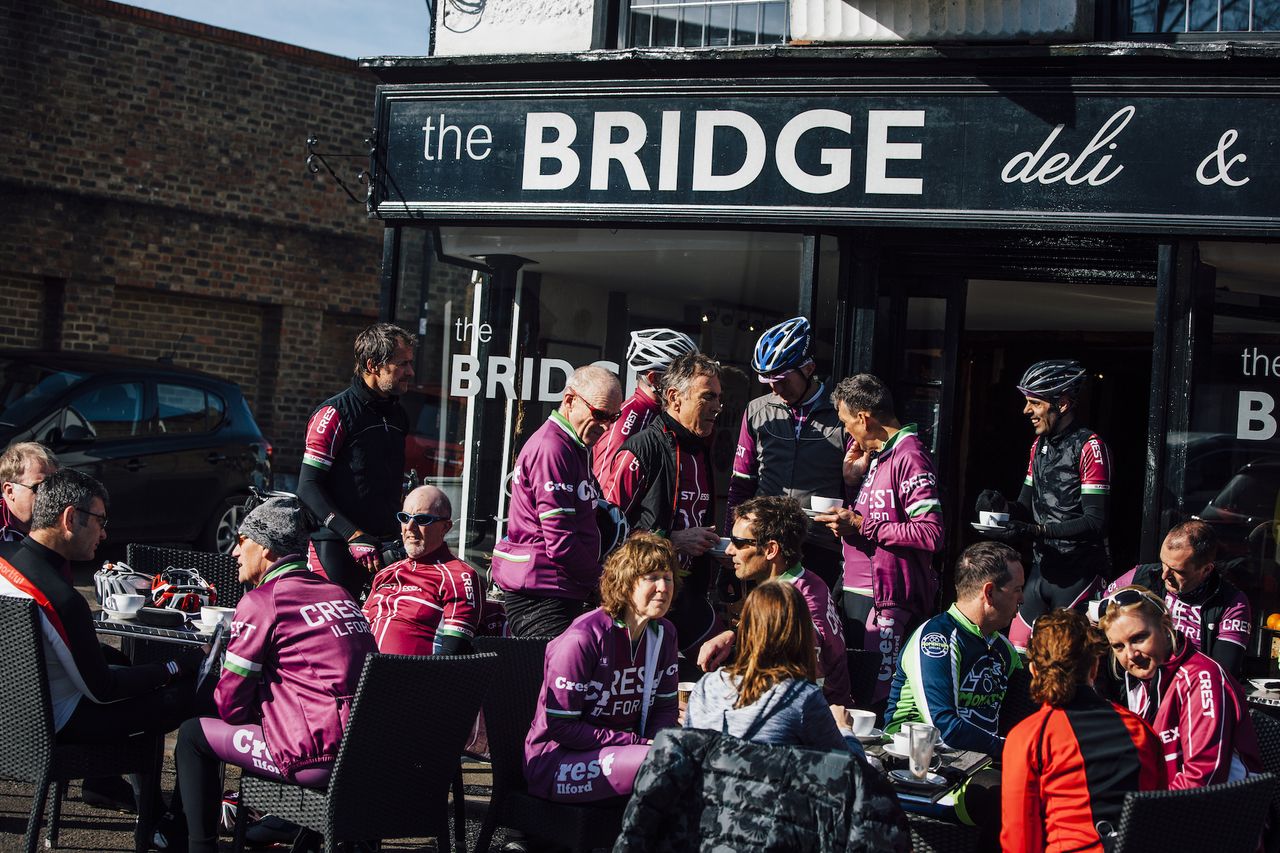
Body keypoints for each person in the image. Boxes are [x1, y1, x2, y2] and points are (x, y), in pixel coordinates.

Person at [174, 496, 376, 853]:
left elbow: (230, 707)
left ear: (265, 548)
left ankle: (196, 847)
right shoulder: (340, 593)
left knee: (192, 734)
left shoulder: (262, 600)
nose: (235, 553)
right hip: (368, 755)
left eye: (242, 541)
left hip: (315, 760)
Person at [524, 532, 680, 803]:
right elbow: (562, 727)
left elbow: (665, 709)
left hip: (628, 753)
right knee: (662, 762)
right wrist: (640, 744)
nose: (663, 587)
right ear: (626, 583)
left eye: (667, 578)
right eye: (652, 577)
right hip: (556, 761)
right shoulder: (583, 637)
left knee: (691, 756)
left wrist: (655, 742)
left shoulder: (665, 633)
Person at [819, 374, 944, 707]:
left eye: (847, 423)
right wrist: (851, 484)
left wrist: (861, 525)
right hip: (858, 590)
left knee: (874, 701)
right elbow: (874, 518)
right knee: (853, 691)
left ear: (864, 418)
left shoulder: (910, 455)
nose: (847, 432)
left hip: (886, 600)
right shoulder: (880, 455)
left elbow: (931, 533)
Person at [1001, 609, 1166, 853]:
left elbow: (1019, 841)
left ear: (1034, 670)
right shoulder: (1140, 730)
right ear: (1094, 667)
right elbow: (1159, 818)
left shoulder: (1030, 737)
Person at [977, 359, 1112, 651]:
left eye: (1035, 403)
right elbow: (1024, 506)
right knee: (1017, 648)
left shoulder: (1089, 446)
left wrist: (1035, 530)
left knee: (1060, 656)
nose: (1027, 411)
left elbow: (1095, 522)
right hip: (1043, 568)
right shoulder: (1039, 446)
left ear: (1061, 404)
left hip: (1079, 571)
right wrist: (1000, 507)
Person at [605, 351, 723, 662]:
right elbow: (606, 533)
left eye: (719, 398)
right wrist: (672, 540)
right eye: (707, 397)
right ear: (674, 397)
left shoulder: (701, 449)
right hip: (642, 599)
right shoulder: (641, 449)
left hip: (687, 595)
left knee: (722, 663)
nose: (716, 407)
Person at [491, 365, 623, 638]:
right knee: (554, 678)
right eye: (599, 414)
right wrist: (602, 581)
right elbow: (561, 542)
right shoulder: (553, 449)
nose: (606, 426)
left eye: (614, 417)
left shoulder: (574, 445)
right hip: (542, 594)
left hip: (559, 588)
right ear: (570, 400)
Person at [1098, 585, 1262, 789]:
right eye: (1118, 646)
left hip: (1222, 813)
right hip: (1172, 806)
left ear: (1165, 627)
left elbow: (1203, 778)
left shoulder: (1201, 678)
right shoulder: (1142, 683)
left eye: (1139, 638)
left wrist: (1148, 814)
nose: (1130, 655)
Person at [726, 316, 846, 592]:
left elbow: (855, 488)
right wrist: (732, 540)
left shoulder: (841, 414)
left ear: (809, 368)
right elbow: (740, 484)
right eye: (768, 381)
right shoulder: (757, 411)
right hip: (765, 547)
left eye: (782, 380)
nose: (776, 389)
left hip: (819, 544)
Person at [298, 322, 416, 598]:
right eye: (402, 364)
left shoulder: (398, 414)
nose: (410, 372)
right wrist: (352, 535)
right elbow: (307, 487)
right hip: (336, 544)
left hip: (382, 545)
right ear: (374, 365)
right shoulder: (334, 413)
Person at [699, 496, 852, 706]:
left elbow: (806, 690)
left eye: (739, 543)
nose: (729, 550)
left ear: (771, 550)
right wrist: (734, 635)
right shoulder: (807, 581)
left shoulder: (793, 606)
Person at [685, 580, 864, 755]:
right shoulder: (801, 698)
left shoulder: (708, 685)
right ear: (801, 635)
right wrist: (845, 729)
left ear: (746, 628)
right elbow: (854, 772)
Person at [885, 541, 1024, 754]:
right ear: (989, 593)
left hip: (979, 760)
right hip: (919, 760)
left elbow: (1027, 712)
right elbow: (943, 727)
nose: (1022, 599)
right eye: (1017, 590)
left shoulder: (1004, 648)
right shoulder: (935, 639)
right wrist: (1013, 750)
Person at [1102, 520, 1250, 678]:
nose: (1164, 574)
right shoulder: (1141, 576)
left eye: (1178, 571)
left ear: (1206, 570)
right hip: (1132, 683)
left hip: (1191, 688)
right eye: (1164, 563)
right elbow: (1097, 611)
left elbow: (1223, 675)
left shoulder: (1231, 602)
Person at [363, 484, 482, 655]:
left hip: (415, 677)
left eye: (421, 519)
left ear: (445, 527)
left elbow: (454, 656)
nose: (409, 527)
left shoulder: (460, 576)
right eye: (404, 517)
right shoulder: (385, 573)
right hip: (365, 674)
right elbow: (358, 634)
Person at [592, 327, 699, 486]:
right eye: (682, 377)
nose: (690, 385)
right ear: (654, 378)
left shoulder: (666, 414)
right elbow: (603, 497)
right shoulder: (625, 423)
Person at [0, 441, 59, 541]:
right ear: (10, 491)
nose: (51, 495)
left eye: (56, 486)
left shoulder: (65, 521)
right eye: (40, 487)